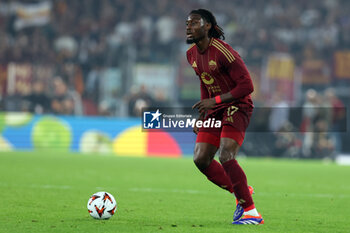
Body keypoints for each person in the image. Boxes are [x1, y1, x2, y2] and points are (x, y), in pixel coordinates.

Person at [186, 9, 263, 225]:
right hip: (216, 109)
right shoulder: (191, 54)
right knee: (201, 159)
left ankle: (251, 212)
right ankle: (241, 189)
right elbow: (205, 82)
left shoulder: (223, 52)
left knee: (226, 154)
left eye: (194, 23)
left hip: (237, 107)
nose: (188, 27)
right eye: (187, 23)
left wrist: (216, 102)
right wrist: (203, 115)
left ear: (207, 25)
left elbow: (247, 86)